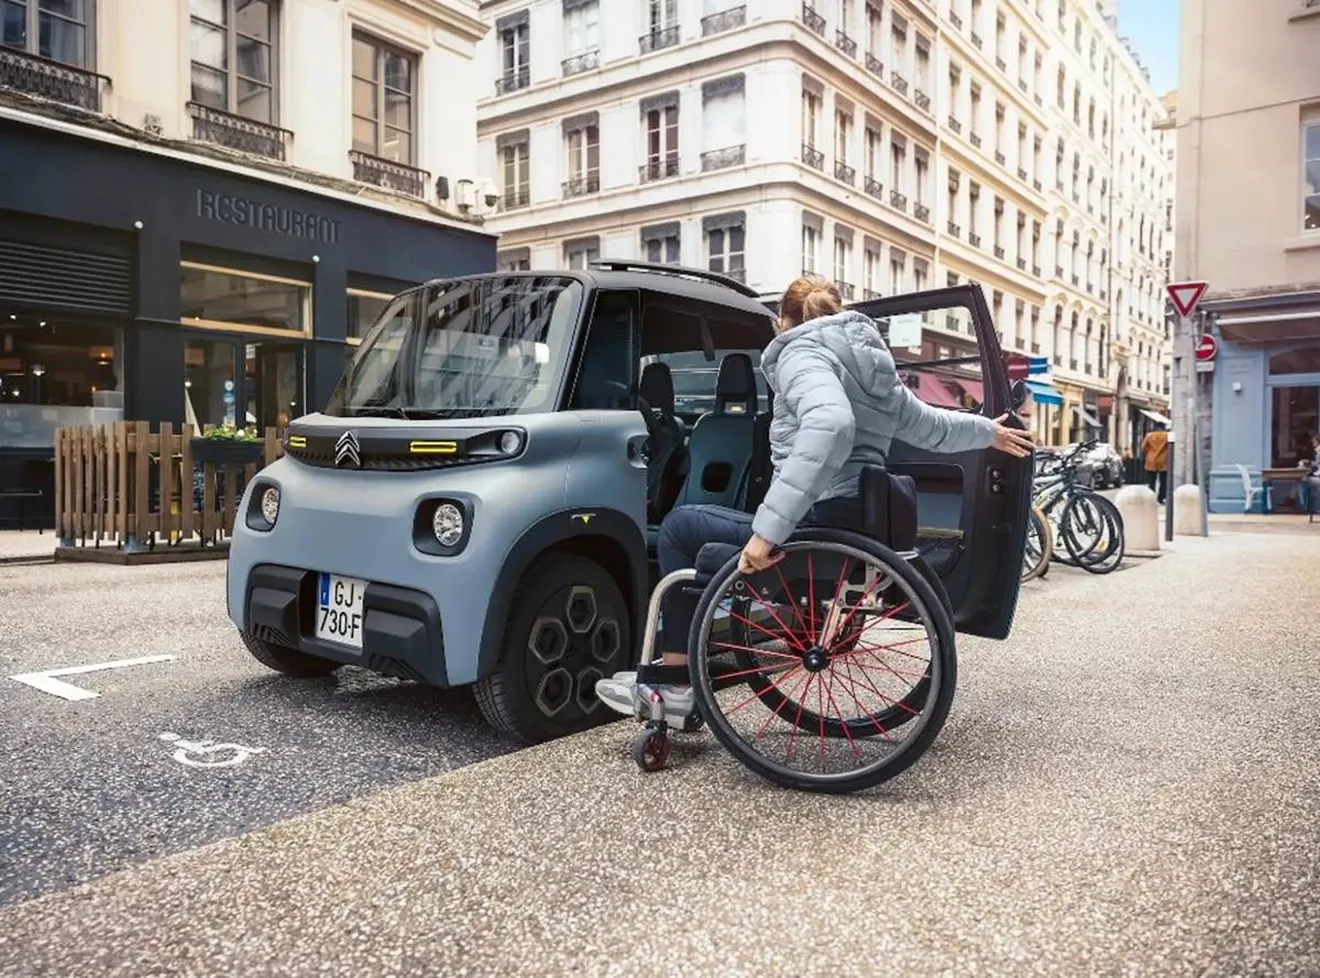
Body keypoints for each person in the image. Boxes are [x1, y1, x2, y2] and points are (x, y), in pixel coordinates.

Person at [596, 274, 1036, 726]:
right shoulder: (872, 362)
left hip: (820, 518)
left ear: (780, 322)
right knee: (707, 539)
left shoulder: (799, 353)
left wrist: (767, 532)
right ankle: (699, 648)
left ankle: (675, 682)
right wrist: (988, 432)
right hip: (856, 518)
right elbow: (929, 425)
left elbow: (831, 425)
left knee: (679, 528)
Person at [1140, 423, 1169, 504]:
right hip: (1164, 461)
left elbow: (1143, 447)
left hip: (1151, 461)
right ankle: (1161, 498)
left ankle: (1151, 497)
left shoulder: (1149, 436)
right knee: (1163, 481)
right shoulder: (1166, 436)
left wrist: (1147, 454)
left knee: (1151, 481)